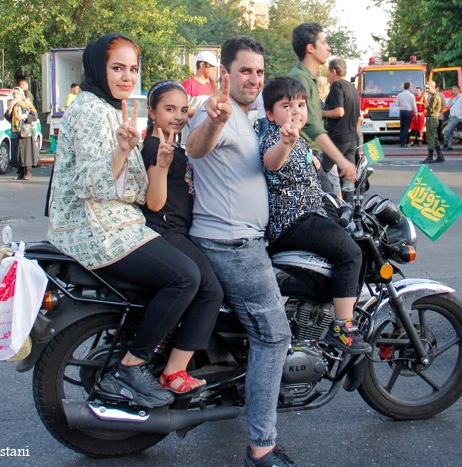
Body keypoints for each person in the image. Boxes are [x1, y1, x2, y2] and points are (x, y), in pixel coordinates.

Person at [48, 34, 212, 408]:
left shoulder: (109, 107)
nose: (127, 77)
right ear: (98, 68)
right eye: (117, 68)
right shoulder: (91, 111)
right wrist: (122, 152)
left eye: (133, 69)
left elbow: (140, 189)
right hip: (96, 227)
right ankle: (132, 365)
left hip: (118, 220)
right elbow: (88, 182)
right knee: (185, 277)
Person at [186, 36, 295, 466]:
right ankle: (261, 446)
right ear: (225, 73)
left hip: (241, 240)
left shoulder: (248, 117)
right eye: (245, 70)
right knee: (274, 335)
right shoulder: (216, 111)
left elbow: (267, 161)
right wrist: (214, 122)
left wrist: (289, 140)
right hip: (232, 244)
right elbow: (197, 147)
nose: (254, 79)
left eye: (259, 72)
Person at [261, 76, 370, 356]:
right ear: (270, 114)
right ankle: (343, 327)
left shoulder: (299, 140)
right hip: (294, 221)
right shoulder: (277, 138)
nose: (295, 111)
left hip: (310, 216)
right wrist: (286, 143)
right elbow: (272, 163)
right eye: (286, 106)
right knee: (351, 253)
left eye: (300, 104)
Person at [140, 80, 223, 394]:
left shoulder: (174, 146)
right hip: (166, 230)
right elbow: (155, 202)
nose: (178, 116)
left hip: (180, 230)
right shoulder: (155, 147)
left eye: (183, 109)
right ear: (152, 112)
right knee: (211, 291)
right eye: (169, 109)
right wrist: (162, 165)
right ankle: (174, 371)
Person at [289, 22, 356, 200]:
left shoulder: (308, 78)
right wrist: (342, 161)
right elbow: (311, 126)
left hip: (311, 153)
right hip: (303, 155)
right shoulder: (299, 79)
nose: (329, 47)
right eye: (324, 42)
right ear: (310, 48)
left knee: (332, 205)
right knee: (329, 206)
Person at [323, 58, 362, 170]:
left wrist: (320, 113)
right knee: (348, 175)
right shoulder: (352, 88)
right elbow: (359, 116)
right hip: (352, 138)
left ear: (333, 72)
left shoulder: (337, 85)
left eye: (328, 72)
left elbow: (339, 112)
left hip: (338, 137)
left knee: (321, 171)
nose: (327, 76)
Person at [4, 87, 38, 180]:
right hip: (16, 131)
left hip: (25, 131)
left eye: (17, 93)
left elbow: (35, 116)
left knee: (26, 153)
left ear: (21, 94)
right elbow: (8, 117)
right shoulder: (13, 105)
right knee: (18, 153)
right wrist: (9, 109)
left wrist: (24, 116)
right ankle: (20, 173)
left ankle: (27, 173)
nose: (15, 95)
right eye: (14, 94)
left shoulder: (27, 104)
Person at [182, 51, 219, 118]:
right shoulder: (189, 84)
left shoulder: (210, 86)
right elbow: (180, 109)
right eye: (212, 66)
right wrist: (202, 112)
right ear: (202, 65)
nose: (214, 69)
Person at [421, 80, 445, 164]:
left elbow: (429, 109)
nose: (427, 90)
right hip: (432, 118)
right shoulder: (433, 96)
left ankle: (430, 157)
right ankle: (440, 156)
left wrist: (425, 98)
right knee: (434, 138)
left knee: (430, 137)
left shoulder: (435, 97)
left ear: (433, 88)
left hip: (432, 118)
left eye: (428, 88)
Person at [442, 85, 462, 151]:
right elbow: (450, 104)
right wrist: (450, 97)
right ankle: (449, 146)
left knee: (447, 130)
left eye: (454, 90)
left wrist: (457, 114)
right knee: (450, 132)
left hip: (456, 117)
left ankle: (445, 144)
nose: (452, 91)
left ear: (458, 90)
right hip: (451, 116)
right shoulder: (455, 98)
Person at [395, 82, 417, 147]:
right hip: (408, 112)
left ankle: (401, 141)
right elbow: (414, 105)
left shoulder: (399, 95)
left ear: (403, 87)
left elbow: (396, 104)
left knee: (402, 127)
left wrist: (402, 105)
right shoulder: (411, 95)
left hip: (402, 111)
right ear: (409, 87)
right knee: (406, 127)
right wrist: (416, 113)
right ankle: (403, 142)